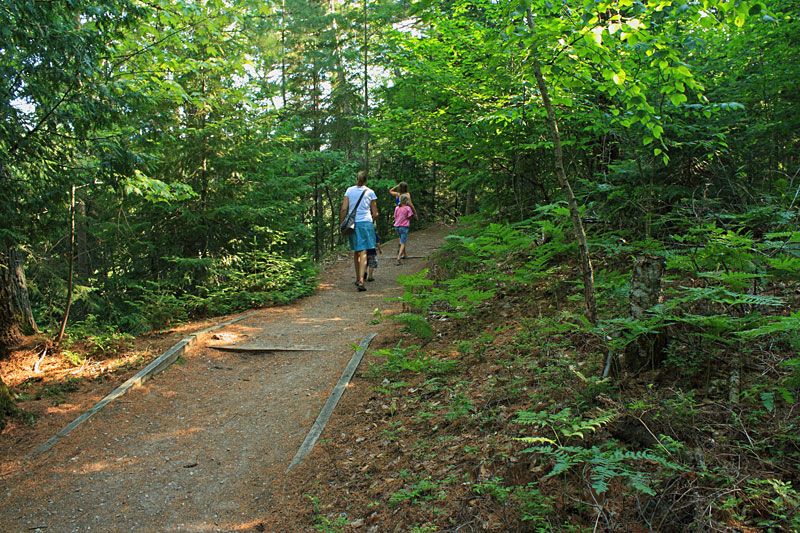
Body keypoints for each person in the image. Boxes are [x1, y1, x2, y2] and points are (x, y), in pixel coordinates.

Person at [340, 170, 378, 291]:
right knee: (364, 251)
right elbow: (375, 213)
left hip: (353, 224)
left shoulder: (349, 190)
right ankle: (361, 280)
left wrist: (342, 225)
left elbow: (343, 209)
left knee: (356, 251)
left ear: (356, 179)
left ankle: (358, 278)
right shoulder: (370, 192)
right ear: (366, 180)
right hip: (366, 223)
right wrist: (374, 218)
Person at [389, 182, 417, 259]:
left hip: (398, 215)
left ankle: (404, 253)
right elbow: (410, 204)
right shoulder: (407, 194)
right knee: (403, 236)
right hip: (405, 215)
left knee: (401, 237)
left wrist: (396, 186)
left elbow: (390, 191)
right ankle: (401, 254)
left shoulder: (397, 194)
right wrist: (415, 213)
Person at [393, 193, 413, 266]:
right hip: (404, 227)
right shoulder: (408, 208)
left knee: (401, 240)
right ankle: (399, 257)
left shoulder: (397, 208)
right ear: (406, 200)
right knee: (403, 242)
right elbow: (409, 216)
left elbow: (395, 216)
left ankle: (404, 254)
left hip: (397, 226)